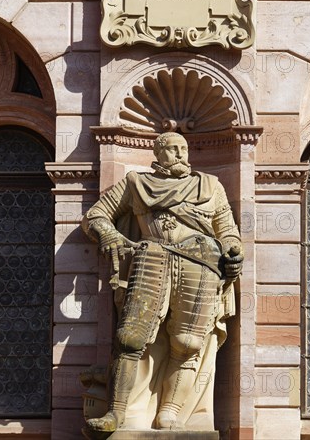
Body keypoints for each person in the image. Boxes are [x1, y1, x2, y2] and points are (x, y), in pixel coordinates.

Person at [82, 132, 243, 433]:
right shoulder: (135, 183)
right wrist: (110, 235)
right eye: (172, 148)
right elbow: (96, 216)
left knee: (188, 343)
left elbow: (228, 230)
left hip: (201, 264)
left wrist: (234, 251)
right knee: (130, 339)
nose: (180, 153)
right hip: (152, 259)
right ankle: (116, 414)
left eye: (183, 148)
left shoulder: (211, 186)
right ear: (158, 153)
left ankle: (171, 411)